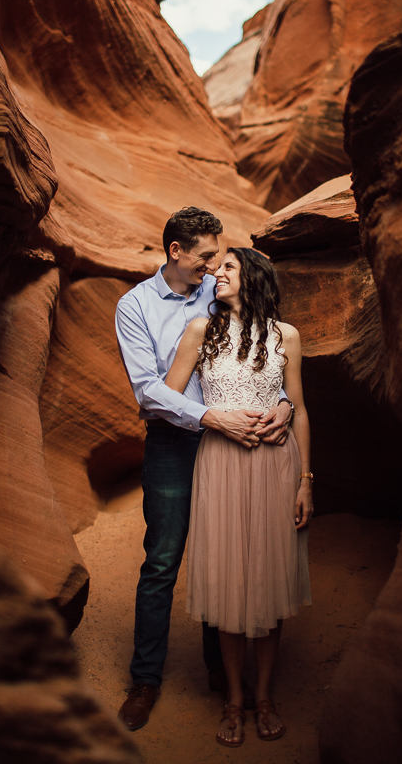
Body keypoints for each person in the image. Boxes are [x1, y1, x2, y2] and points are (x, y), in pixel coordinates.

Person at [115, 208, 294, 731]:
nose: (215, 266)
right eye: (206, 255)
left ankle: (224, 672)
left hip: (236, 447)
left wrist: (282, 402)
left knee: (229, 556)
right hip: (176, 442)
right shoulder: (136, 306)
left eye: (220, 258)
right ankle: (145, 679)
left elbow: (258, 352)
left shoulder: (218, 292)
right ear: (176, 251)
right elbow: (148, 389)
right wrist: (211, 416)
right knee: (163, 560)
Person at [165, 246, 312, 746]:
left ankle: (265, 695)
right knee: (229, 581)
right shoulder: (200, 331)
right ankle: (233, 699)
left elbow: (300, 405)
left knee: (269, 579)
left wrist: (305, 478)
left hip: (276, 463)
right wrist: (215, 417)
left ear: (253, 277)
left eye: (227, 267)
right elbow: (167, 394)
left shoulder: (285, 335)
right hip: (222, 462)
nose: (216, 273)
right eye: (217, 266)